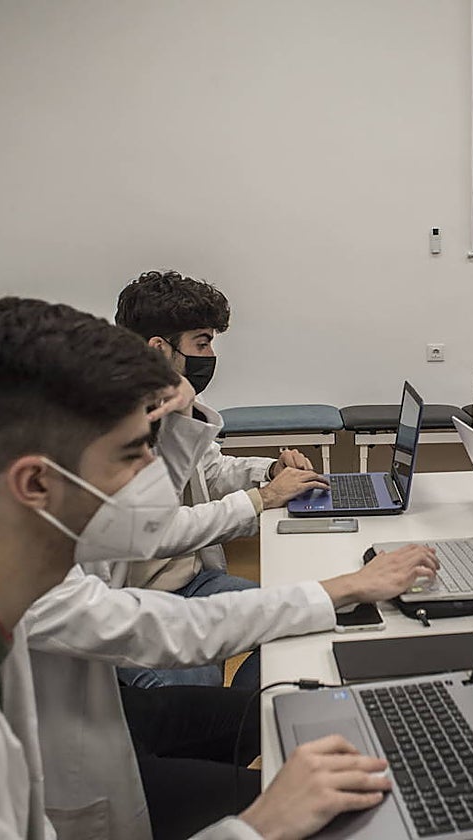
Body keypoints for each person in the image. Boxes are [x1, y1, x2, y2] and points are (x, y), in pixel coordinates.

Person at [0, 297, 416, 839]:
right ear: (36, 484)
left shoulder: (4, 568)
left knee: (290, 714)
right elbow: (158, 623)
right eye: (131, 454)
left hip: (93, 772)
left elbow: (155, 619)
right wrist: (260, 827)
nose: (155, 472)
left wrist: (339, 590)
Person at [114, 269, 327, 688]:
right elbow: (153, 531)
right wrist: (262, 499)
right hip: (135, 608)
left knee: (303, 625)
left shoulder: (174, 400)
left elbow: (209, 469)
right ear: (159, 349)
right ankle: (228, 729)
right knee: (198, 694)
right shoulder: (109, 422)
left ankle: (243, 720)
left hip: (194, 582)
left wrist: (269, 471)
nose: (210, 355)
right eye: (202, 342)